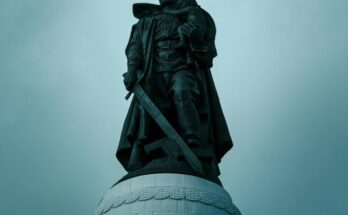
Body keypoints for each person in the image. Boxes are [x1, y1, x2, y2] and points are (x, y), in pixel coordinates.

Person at [118, 0, 233, 184]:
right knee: (147, 108)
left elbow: (205, 47)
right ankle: (141, 151)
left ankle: (193, 142)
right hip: (153, 72)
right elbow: (135, 46)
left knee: (183, 92)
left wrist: (194, 37)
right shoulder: (148, 19)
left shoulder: (194, 14)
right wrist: (132, 68)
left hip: (183, 66)